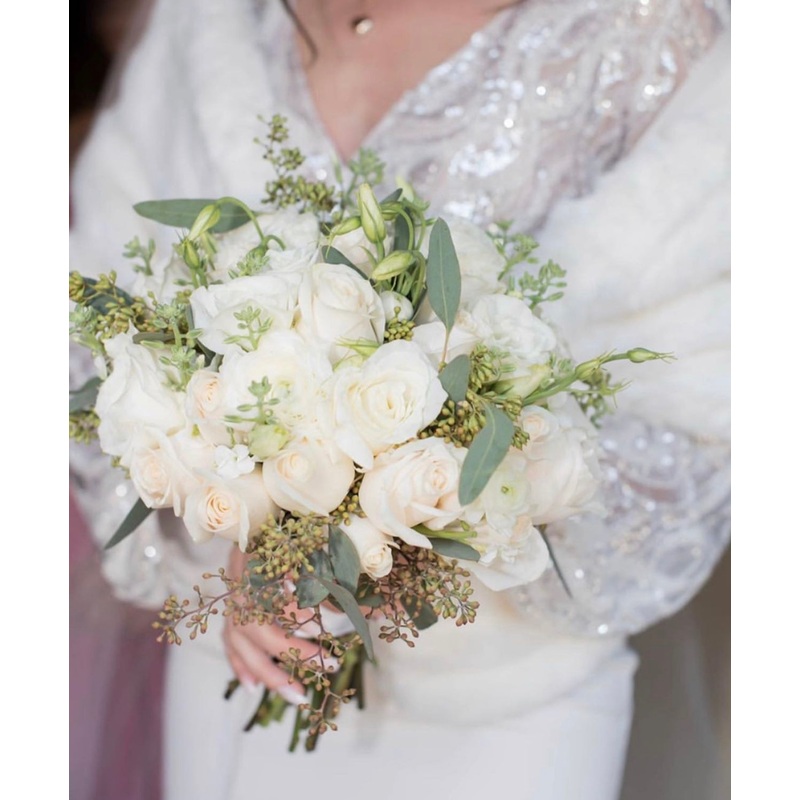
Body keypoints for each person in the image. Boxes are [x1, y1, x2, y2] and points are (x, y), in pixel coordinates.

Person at [69, 1, 731, 798]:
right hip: (242, 665)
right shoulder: (214, 24)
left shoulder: (648, 29)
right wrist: (242, 498)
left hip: (501, 716)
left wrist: (413, 504)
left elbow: (704, 399)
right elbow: (100, 330)